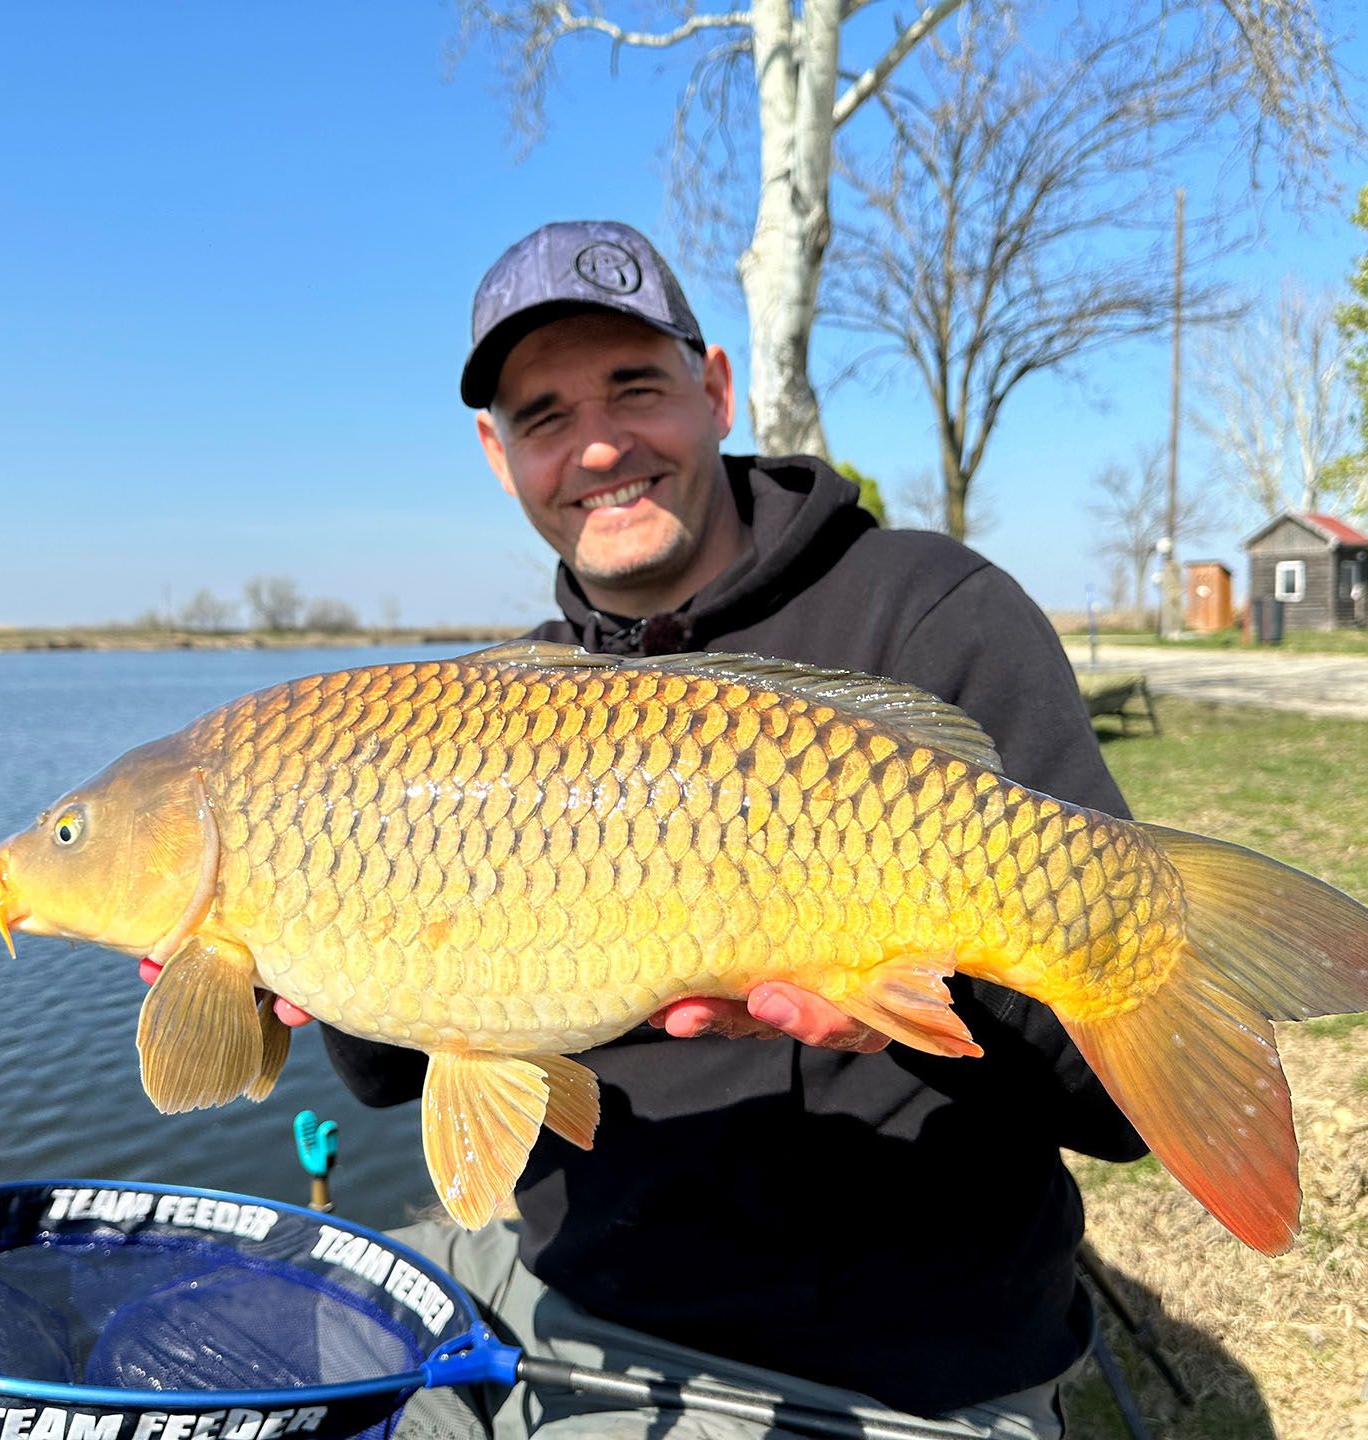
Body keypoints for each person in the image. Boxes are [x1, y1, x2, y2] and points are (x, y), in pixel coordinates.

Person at [293, 220, 1145, 1438]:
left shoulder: (930, 615)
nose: (596, 445)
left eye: (635, 386)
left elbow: (1115, 1112)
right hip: (563, 1290)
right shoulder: (489, 707)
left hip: (886, 1367)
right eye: (544, 417)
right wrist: (305, 925)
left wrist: (926, 976)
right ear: (498, 454)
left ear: (716, 388)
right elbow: (391, 1075)